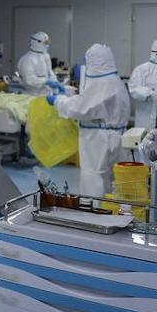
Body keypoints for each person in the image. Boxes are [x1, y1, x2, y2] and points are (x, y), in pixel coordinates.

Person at [50, 43, 130, 199]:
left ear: (95, 61)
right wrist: (66, 91)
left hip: (98, 140)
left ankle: (94, 209)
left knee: (94, 177)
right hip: (115, 137)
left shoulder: (102, 84)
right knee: (111, 179)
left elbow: (82, 108)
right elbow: (89, 100)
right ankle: (110, 208)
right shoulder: (114, 81)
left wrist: (58, 101)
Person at [16, 31, 56, 96]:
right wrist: (46, 81)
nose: (47, 45)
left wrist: (55, 81)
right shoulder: (27, 59)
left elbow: (50, 71)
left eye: (47, 43)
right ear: (37, 42)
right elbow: (29, 80)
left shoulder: (46, 56)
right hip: (31, 94)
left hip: (45, 92)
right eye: (45, 43)